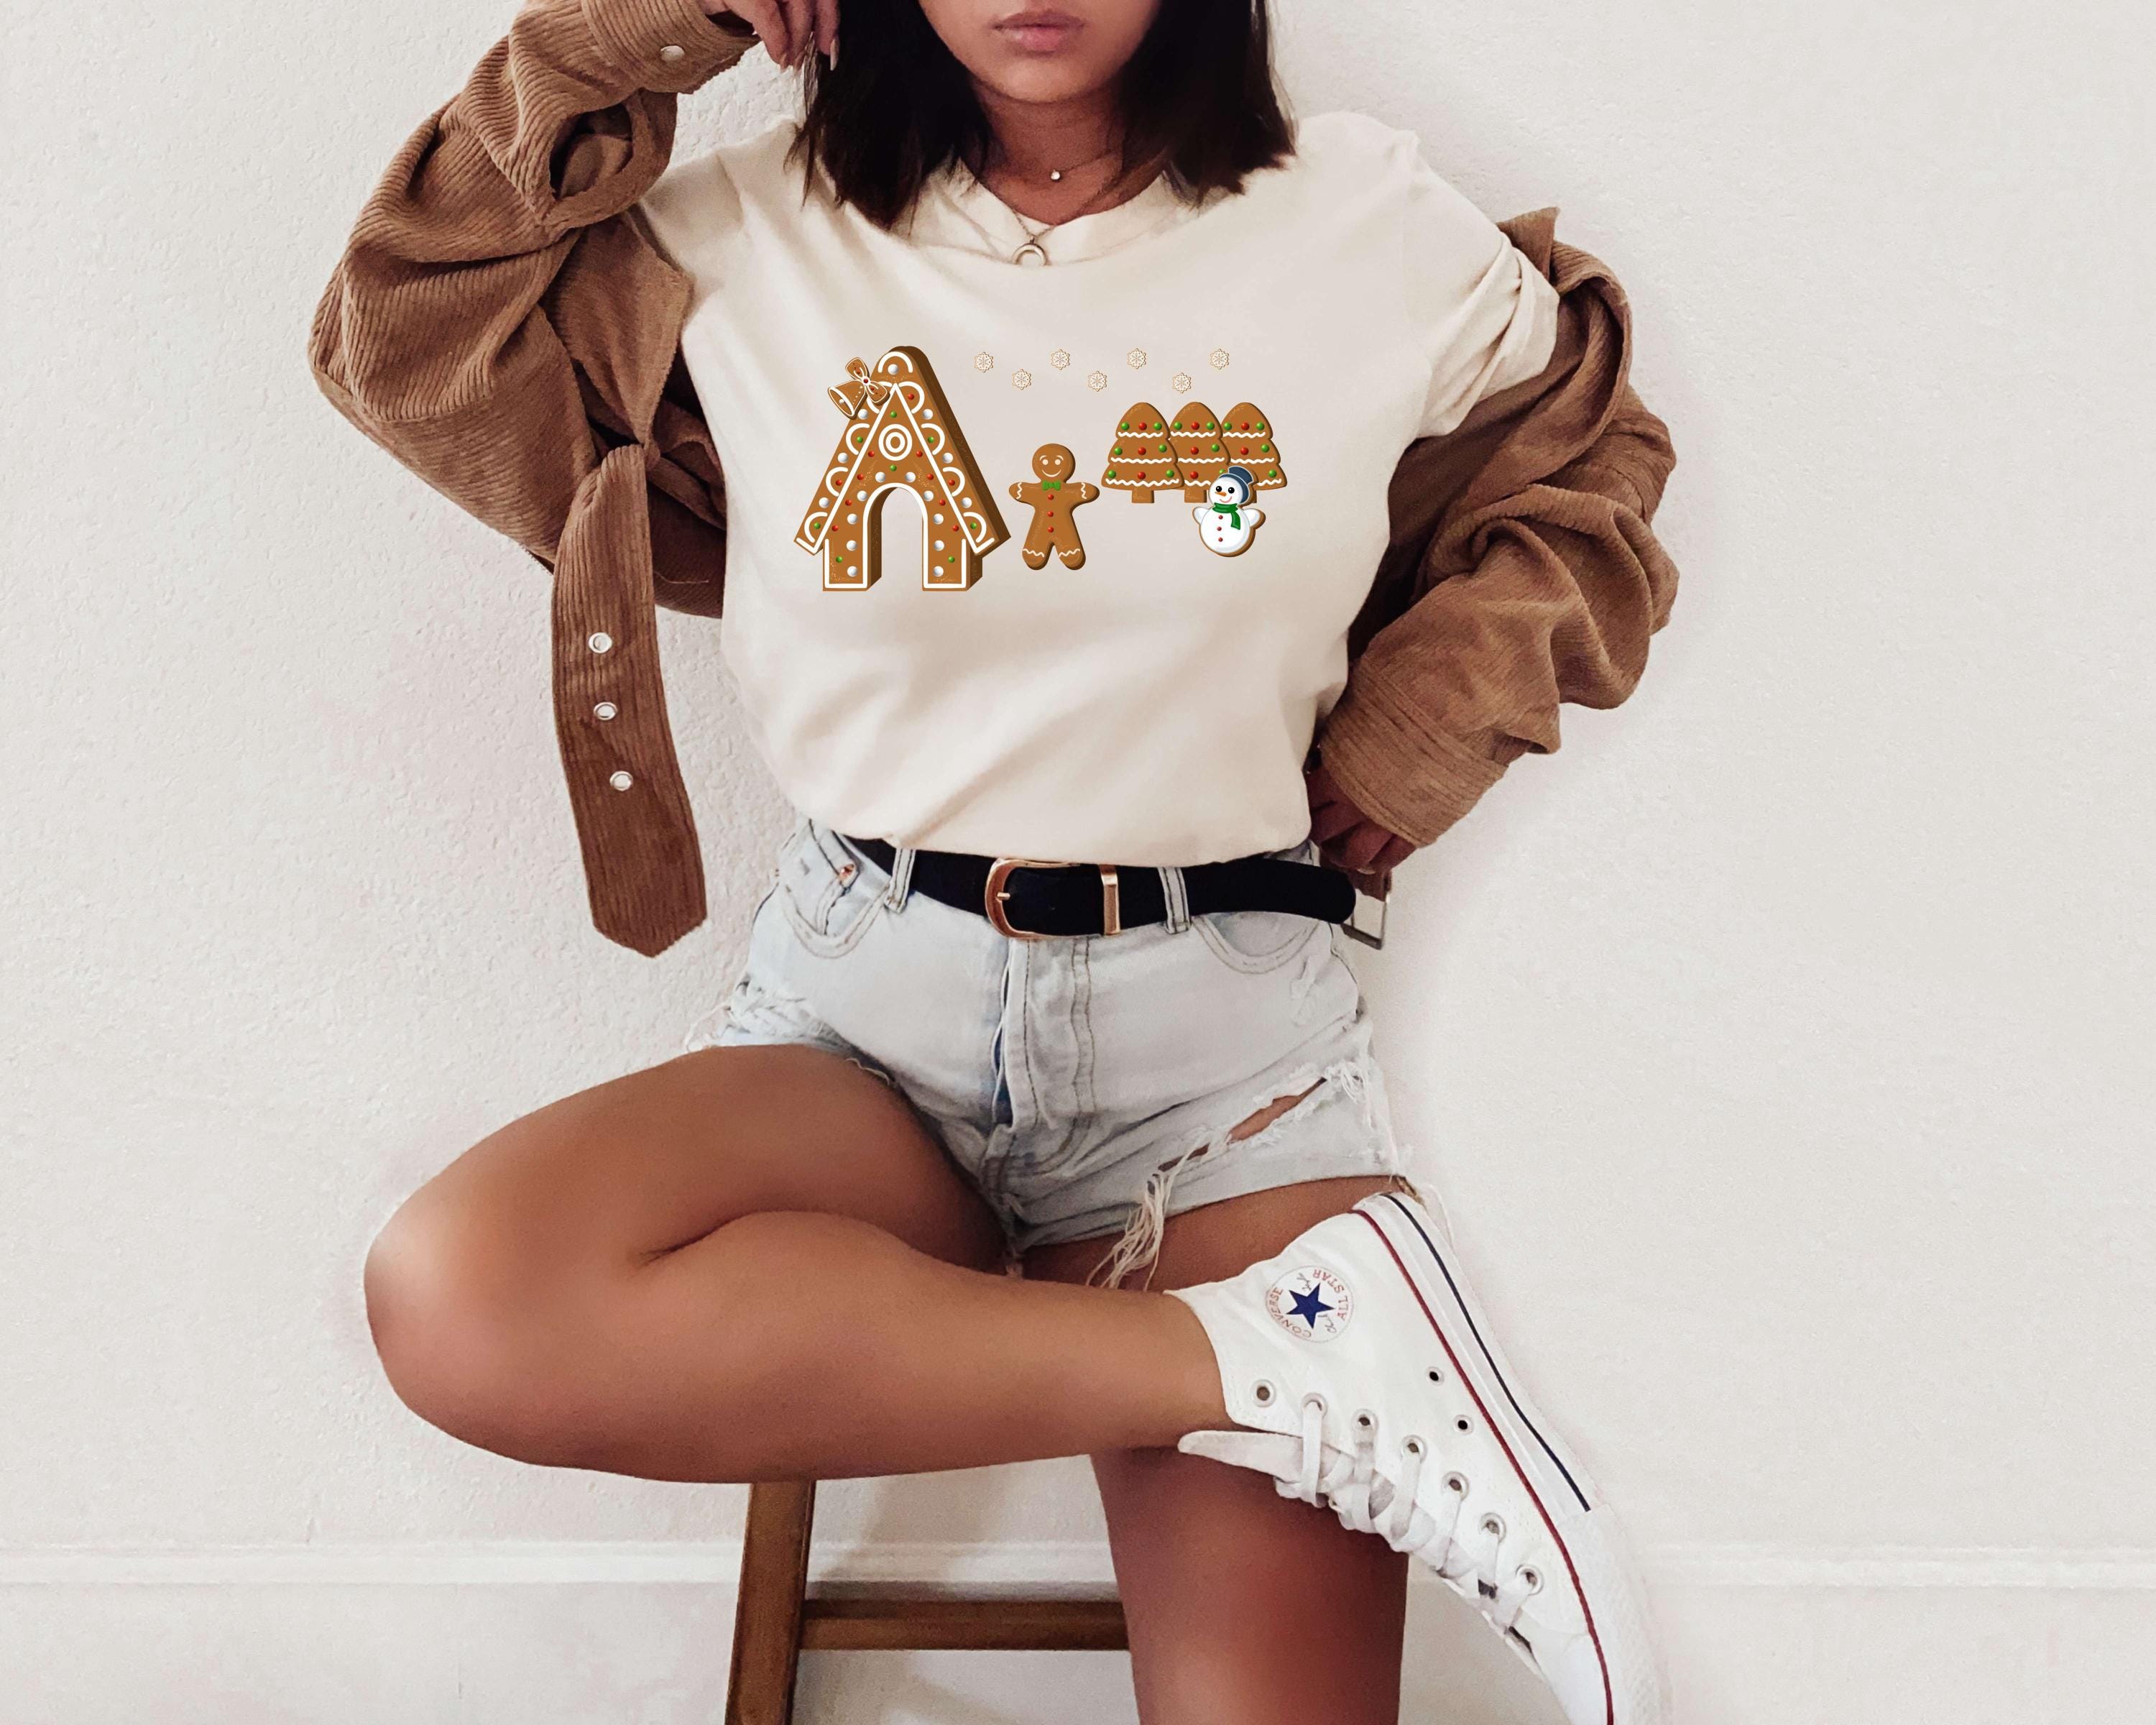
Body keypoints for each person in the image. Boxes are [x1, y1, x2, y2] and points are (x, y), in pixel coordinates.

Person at [308, 2, 1682, 1720]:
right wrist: (664, 22)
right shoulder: (741, 232)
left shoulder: (1361, 224)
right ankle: (1299, 1355)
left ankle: (1313, 1352)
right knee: (466, 1296)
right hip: (864, 1026)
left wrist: (1428, 720)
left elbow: (1591, 458)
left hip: (1224, 1062)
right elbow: (401, 331)